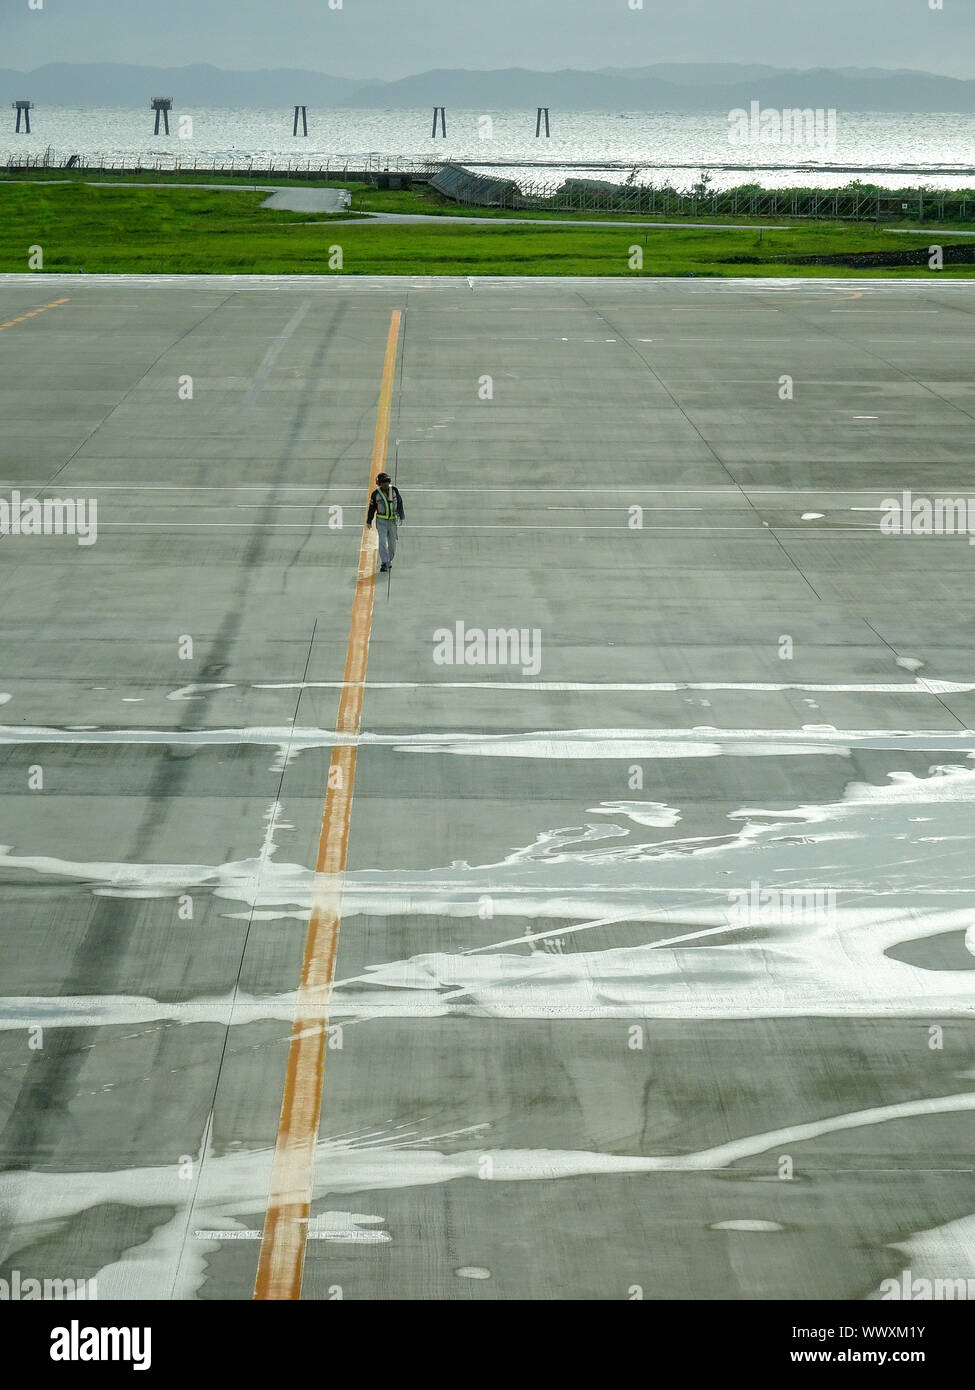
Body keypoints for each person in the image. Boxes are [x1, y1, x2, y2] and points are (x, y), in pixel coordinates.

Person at [366, 472, 405, 573]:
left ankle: (389, 560)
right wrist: (369, 520)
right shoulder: (375, 494)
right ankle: (384, 562)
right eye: (383, 482)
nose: (385, 484)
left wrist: (401, 516)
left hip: (392, 521)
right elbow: (372, 508)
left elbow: (400, 503)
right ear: (379, 483)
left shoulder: (395, 490)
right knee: (382, 541)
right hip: (381, 522)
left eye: (387, 481)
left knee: (392, 544)